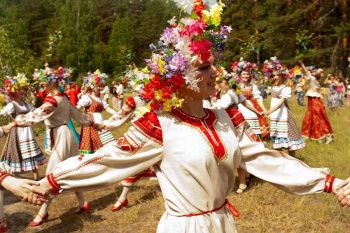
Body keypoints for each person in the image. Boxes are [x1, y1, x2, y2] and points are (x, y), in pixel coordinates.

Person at [24, 3, 350, 233]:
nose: (214, 73)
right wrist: (52, 181)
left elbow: (269, 161)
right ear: (181, 78)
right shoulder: (160, 124)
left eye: (212, 65)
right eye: (204, 67)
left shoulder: (227, 118)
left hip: (222, 224)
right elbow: (108, 161)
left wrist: (330, 183)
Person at [13, 67, 93, 227]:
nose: (41, 85)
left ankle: (42, 212)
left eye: (43, 82)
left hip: (60, 136)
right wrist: (93, 122)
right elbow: (77, 114)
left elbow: (37, 115)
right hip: (67, 134)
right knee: (71, 170)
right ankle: (83, 202)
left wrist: (17, 121)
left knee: (52, 175)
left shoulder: (52, 100)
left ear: (51, 82)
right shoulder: (62, 97)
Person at [0, 75, 45, 180]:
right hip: (17, 132)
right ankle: (12, 177)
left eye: (23, 89)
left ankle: (36, 177)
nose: (22, 92)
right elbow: (2, 113)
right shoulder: (12, 105)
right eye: (19, 90)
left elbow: (35, 110)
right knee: (15, 153)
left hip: (27, 131)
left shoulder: (25, 103)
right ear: (14, 91)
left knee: (32, 152)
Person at [77, 71, 118, 157]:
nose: (99, 88)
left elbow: (107, 108)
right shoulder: (87, 98)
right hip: (91, 123)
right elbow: (78, 108)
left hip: (101, 122)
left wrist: (117, 114)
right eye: (98, 86)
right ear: (92, 86)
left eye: (100, 86)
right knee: (93, 144)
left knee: (106, 141)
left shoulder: (100, 98)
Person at [266, 68, 305, 156]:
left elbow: (281, 102)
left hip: (283, 114)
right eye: (273, 75)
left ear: (282, 76)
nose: (275, 77)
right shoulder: (273, 87)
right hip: (275, 115)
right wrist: (270, 112)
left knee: (288, 138)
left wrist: (270, 111)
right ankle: (281, 159)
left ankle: (292, 160)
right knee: (277, 140)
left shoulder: (286, 88)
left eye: (277, 75)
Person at [231, 59, 270, 140]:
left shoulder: (253, 86)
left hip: (252, 108)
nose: (246, 76)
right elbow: (239, 99)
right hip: (240, 108)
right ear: (240, 75)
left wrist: (264, 110)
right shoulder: (236, 86)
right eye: (244, 74)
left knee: (254, 129)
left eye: (247, 74)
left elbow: (258, 99)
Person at [300, 62, 333, 144]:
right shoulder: (315, 80)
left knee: (317, 117)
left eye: (314, 72)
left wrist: (302, 64)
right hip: (313, 100)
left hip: (315, 100)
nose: (312, 72)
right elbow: (306, 72)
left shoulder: (312, 78)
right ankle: (320, 136)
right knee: (314, 117)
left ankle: (325, 135)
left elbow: (305, 71)